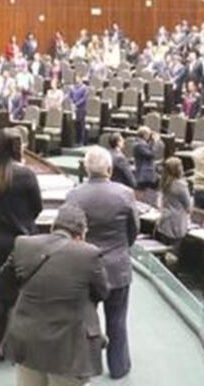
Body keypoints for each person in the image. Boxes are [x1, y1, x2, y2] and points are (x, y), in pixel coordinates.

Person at [0, 204, 108, 386]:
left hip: (28, 340)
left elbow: (5, 281)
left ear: (53, 227)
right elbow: (102, 292)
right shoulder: (89, 254)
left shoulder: (23, 244)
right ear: (81, 233)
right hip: (68, 347)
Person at [64, 147, 139, 380]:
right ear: (109, 168)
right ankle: (119, 368)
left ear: (86, 169)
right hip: (117, 267)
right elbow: (133, 230)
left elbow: (69, 230)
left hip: (85, 267)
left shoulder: (74, 195)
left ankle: (84, 367)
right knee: (117, 319)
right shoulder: (125, 193)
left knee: (84, 320)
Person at [0, 128, 43, 362]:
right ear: (18, 148)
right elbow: (37, 208)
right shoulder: (25, 175)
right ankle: (21, 348)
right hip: (22, 242)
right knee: (24, 296)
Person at [156, 157, 192, 248]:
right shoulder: (181, 185)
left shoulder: (164, 181)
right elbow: (188, 207)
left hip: (164, 221)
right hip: (176, 224)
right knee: (174, 252)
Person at [132, 127, 160, 204]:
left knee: (151, 193)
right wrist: (155, 142)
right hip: (144, 174)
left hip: (147, 173)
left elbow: (148, 149)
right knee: (143, 194)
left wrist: (152, 142)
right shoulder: (139, 145)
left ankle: (150, 203)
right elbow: (151, 154)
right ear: (145, 135)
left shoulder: (141, 143)